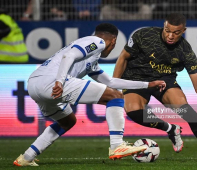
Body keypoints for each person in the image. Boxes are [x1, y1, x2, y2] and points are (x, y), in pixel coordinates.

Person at [13, 23, 166, 166]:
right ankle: (117, 145)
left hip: (34, 85)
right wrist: (59, 81)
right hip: (53, 82)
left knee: (67, 121)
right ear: (113, 41)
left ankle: (26, 157)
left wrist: (148, 84)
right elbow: (69, 56)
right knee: (116, 97)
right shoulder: (96, 42)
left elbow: (111, 82)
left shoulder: (91, 61)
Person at [113, 13, 197, 163]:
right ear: (164, 26)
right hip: (136, 78)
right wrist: (115, 85)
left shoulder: (185, 50)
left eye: (176, 32)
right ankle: (170, 129)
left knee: (187, 111)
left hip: (164, 80)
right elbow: (123, 57)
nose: (170, 36)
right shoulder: (144, 35)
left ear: (183, 31)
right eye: (167, 30)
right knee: (133, 111)